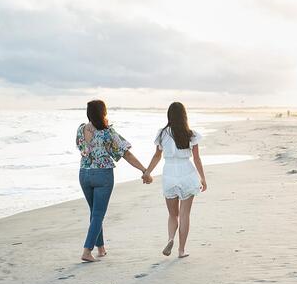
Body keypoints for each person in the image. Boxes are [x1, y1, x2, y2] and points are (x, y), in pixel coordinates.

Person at [76, 99, 150, 263]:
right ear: (103, 113)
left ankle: (100, 248)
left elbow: (82, 148)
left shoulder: (80, 130)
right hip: (102, 175)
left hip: (84, 174)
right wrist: (144, 170)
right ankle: (87, 251)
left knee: (95, 213)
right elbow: (126, 153)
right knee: (97, 214)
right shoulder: (108, 132)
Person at [144, 102, 207, 258]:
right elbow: (197, 159)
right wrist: (203, 178)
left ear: (169, 116)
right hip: (187, 173)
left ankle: (171, 238)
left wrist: (147, 172)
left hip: (169, 174)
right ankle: (181, 250)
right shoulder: (190, 134)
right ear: (184, 116)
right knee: (185, 214)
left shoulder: (162, 134)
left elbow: (157, 156)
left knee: (173, 215)